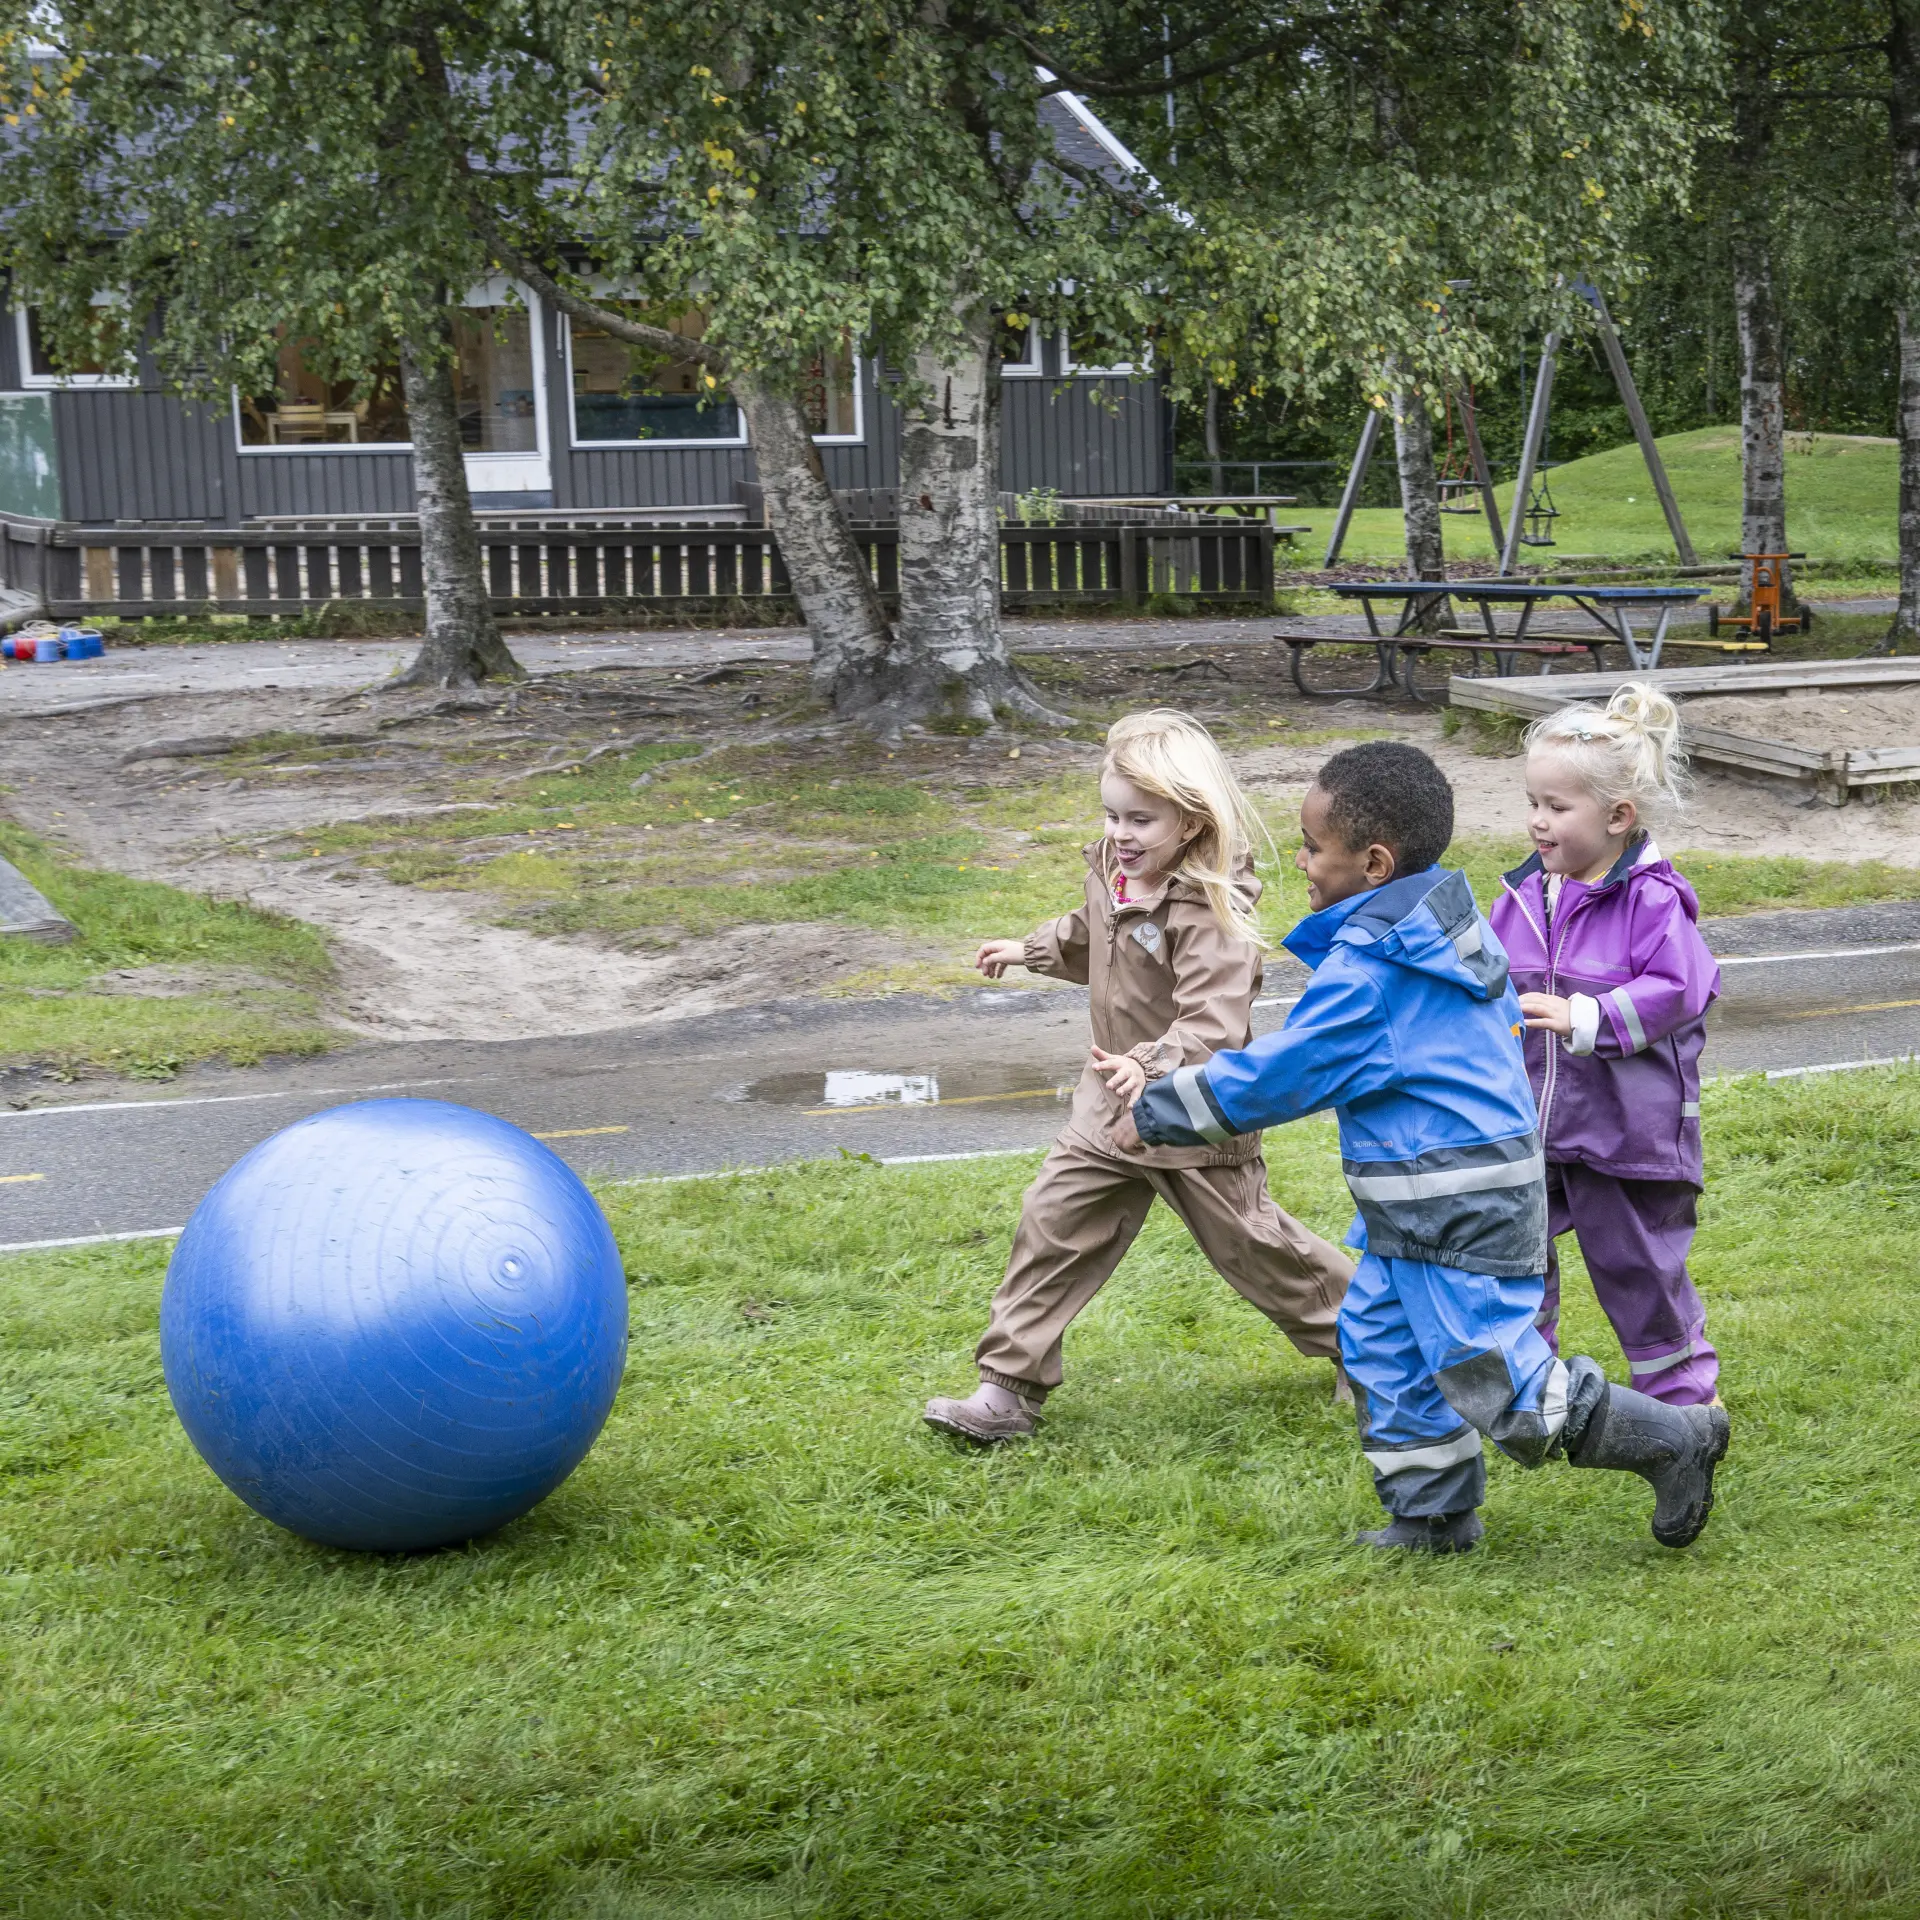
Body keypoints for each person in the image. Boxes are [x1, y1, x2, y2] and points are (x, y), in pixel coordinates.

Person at [1115, 740, 1729, 1553]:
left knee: (1499, 1381)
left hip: (1460, 1206)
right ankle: (1433, 1518)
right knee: (1382, 1348)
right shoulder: (1440, 918)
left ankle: (1674, 1440)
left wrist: (1160, 1102)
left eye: (1311, 846)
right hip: (1414, 1204)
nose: (1297, 859)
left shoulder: (1374, 973)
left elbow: (1286, 1075)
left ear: (1373, 862)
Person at [923, 710, 1355, 1444]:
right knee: (1050, 1226)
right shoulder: (1116, 871)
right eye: (1113, 814)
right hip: (1106, 1108)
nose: (1121, 833)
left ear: (1190, 824)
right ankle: (1008, 1391)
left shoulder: (1208, 909)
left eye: (1141, 820)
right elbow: (1092, 932)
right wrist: (1027, 949)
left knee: (1258, 1250)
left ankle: (1375, 1348)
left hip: (1188, 1112)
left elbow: (1214, 1022)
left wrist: (1148, 1062)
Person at [1489, 682, 1722, 1407]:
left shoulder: (1651, 900)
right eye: (1533, 803)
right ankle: (1530, 1388)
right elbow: (1488, 976)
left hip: (1627, 1131)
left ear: (1619, 817)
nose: (1537, 822)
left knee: (1637, 1265)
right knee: (1515, 1252)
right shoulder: (1522, 896)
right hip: (1534, 1126)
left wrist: (1588, 1016)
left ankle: (1686, 1398)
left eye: (1557, 808)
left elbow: (1685, 986)